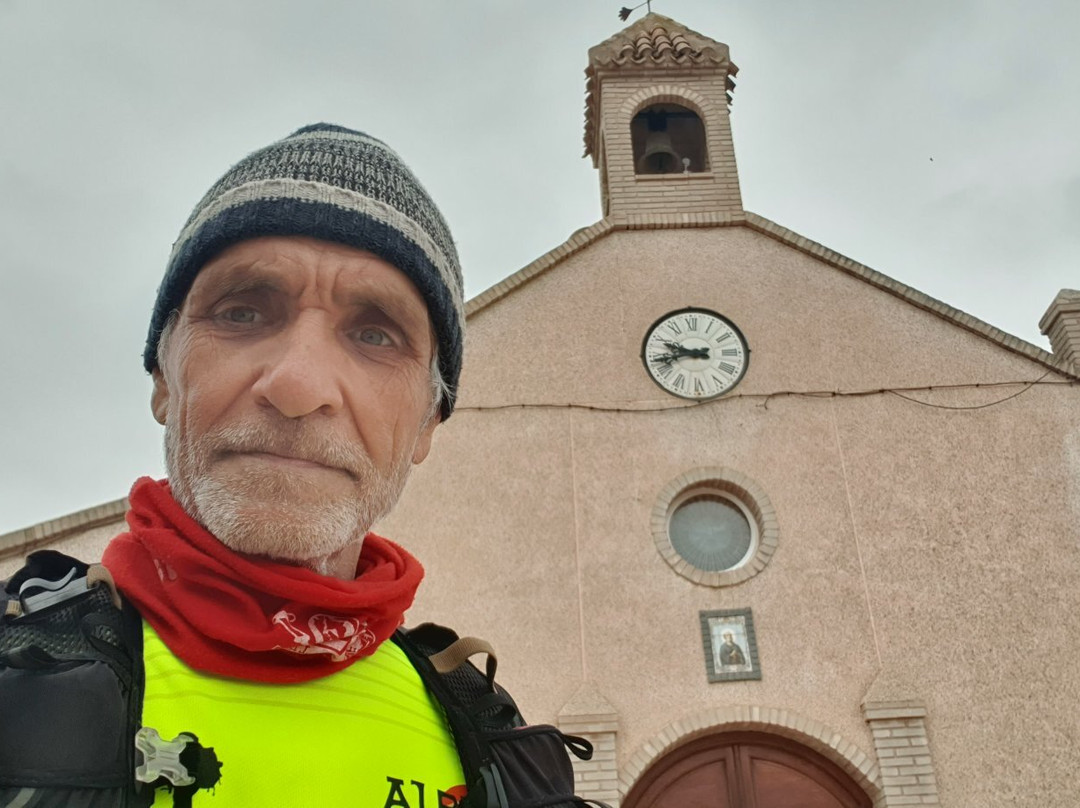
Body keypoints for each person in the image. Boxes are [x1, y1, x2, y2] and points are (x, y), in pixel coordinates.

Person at [0, 124, 579, 808]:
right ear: (163, 378)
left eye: (374, 333)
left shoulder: (498, 739)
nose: (299, 385)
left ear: (427, 422)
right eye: (242, 312)